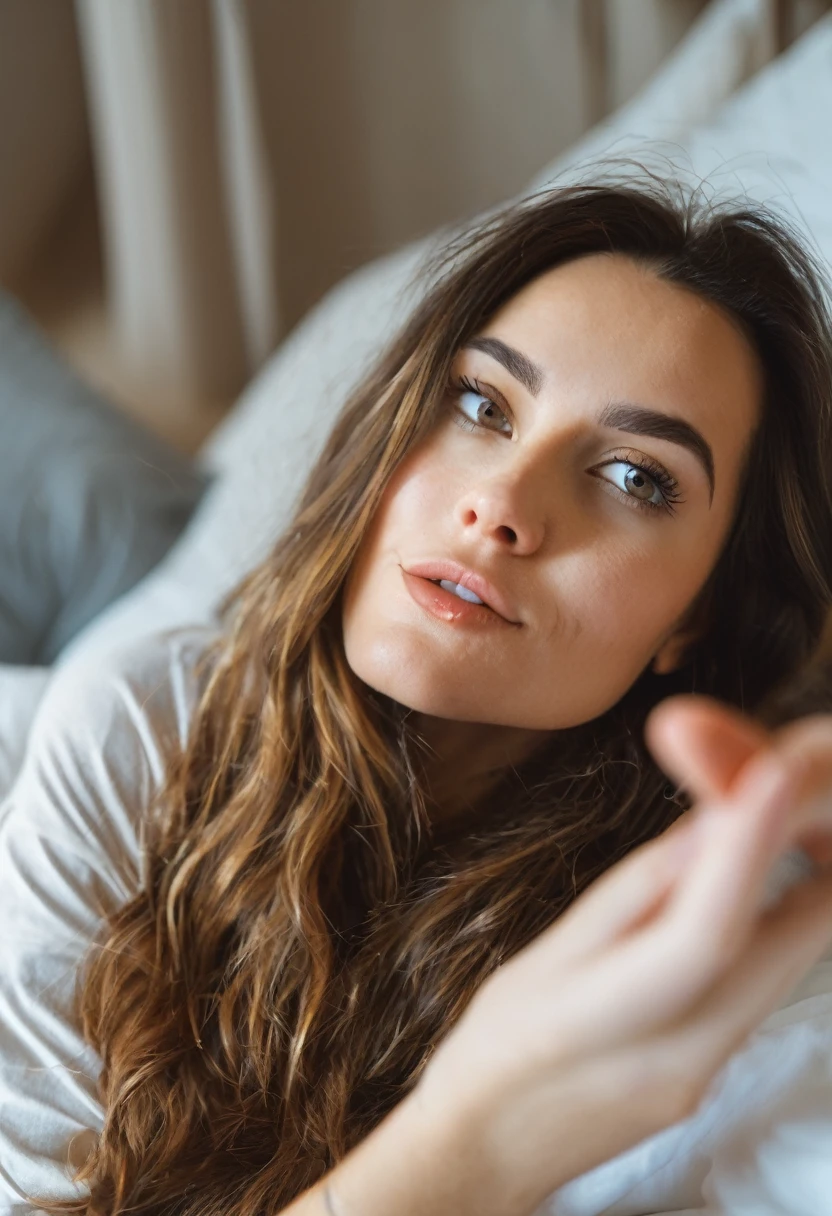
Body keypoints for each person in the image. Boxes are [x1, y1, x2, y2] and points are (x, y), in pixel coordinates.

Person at [4, 179, 832, 1216]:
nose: (502, 506)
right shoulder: (141, 722)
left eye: (632, 477)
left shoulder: (694, 954)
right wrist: (471, 1147)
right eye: (482, 405)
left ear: (698, 618)